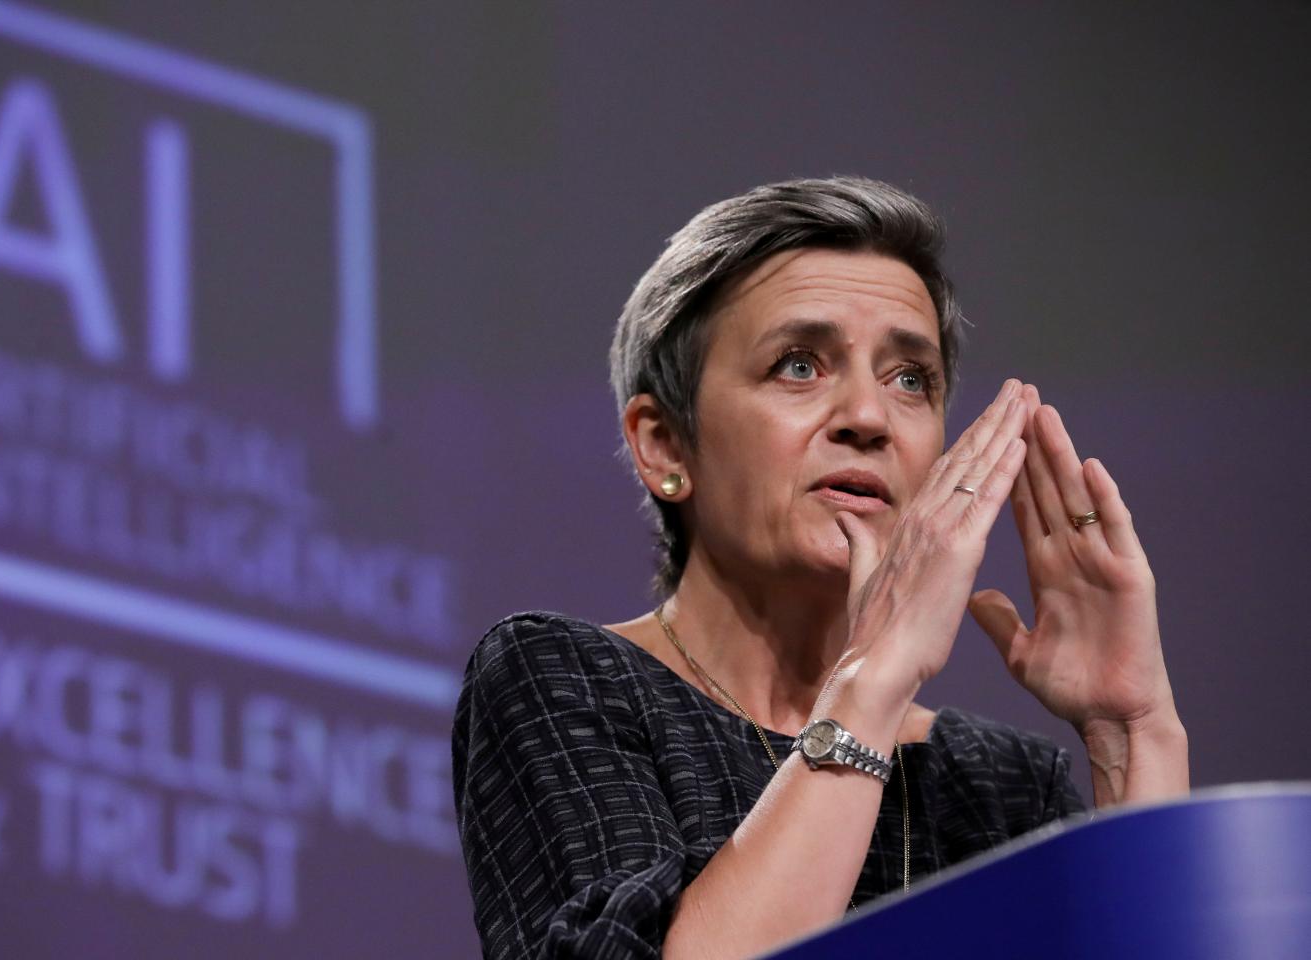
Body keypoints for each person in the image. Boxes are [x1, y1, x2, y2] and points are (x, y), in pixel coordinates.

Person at [450, 177, 1189, 960]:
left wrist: (1131, 730)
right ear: (664, 444)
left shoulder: (1001, 784)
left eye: (912, 379)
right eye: (799, 366)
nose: (869, 419)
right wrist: (874, 677)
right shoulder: (564, 681)